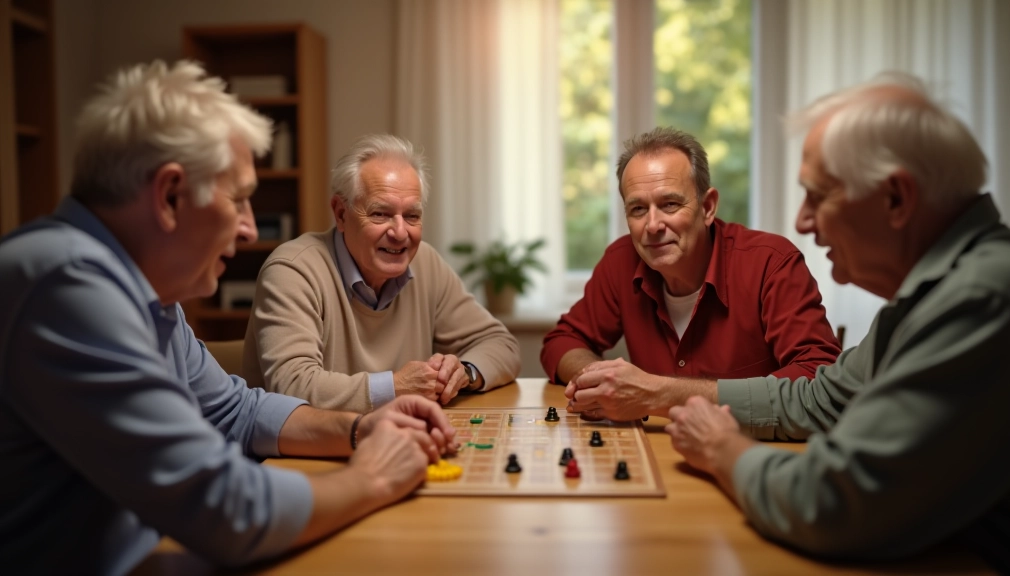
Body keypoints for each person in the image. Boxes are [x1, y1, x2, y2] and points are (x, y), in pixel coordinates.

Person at [0, 60, 457, 575]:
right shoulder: (67, 285)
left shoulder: (147, 292)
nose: (247, 229)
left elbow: (236, 411)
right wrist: (372, 477)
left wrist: (359, 430)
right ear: (170, 197)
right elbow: (227, 509)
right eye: (238, 199)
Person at [665, 72, 1010, 573]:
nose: (802, 222)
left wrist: (721, 448)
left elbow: (833, 503)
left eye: (819, 195)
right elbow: (823, 398)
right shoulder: (935, 291)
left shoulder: (981, 297)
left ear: (896, 199)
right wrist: (667, 395)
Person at [543, 127, 841, 421]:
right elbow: (563, 341)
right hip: (658, 452)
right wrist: (597, 379)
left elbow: (817, 379)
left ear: (708, 207)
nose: (653, 225)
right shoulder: (621, 261)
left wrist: (660, 393)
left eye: (670, 204)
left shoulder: (770, 263)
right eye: (637, 209)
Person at [241, 134, 521, 413]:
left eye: (411, 216)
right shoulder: (293, 270)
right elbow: (292, 385)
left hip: (397, 442)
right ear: (340, 213)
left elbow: (502, 345)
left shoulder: (426, 262)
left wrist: (464, 373)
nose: (400, 233)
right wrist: (395, 387)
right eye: (380, 214)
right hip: (304, 452)